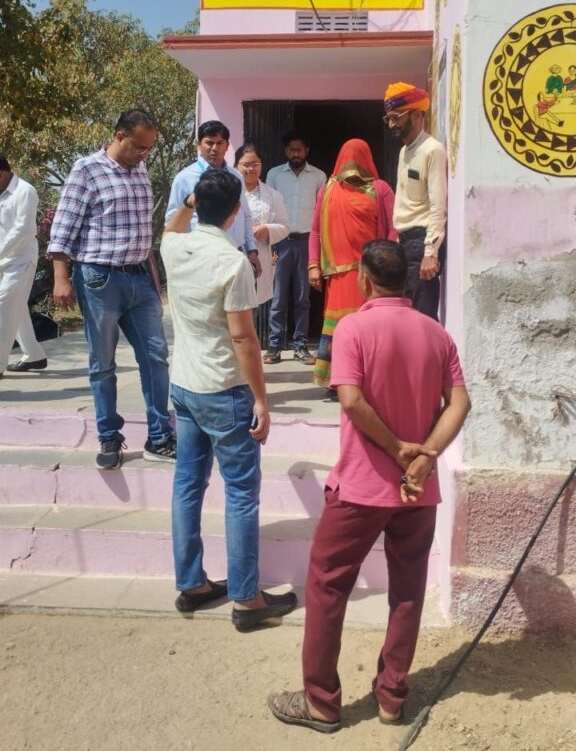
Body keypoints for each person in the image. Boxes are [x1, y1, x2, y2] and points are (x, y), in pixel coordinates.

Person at [268, 240, 470, 733]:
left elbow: (352, 401)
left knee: (327, 585)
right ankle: (392, 698)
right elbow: (460, 403)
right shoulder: (436, 333)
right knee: (407, 592)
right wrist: (424, 456)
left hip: (360, 488)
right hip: (416, 491)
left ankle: (321, 701)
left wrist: (399, 449)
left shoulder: (352, 328)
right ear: (406, 280)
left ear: (363, 278)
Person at [161, 170, 297, 630]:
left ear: (195, 204)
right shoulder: (232, 262)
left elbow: (171, 227)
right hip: (224, 389)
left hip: (185, 384)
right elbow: (243, 338)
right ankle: (246, 599)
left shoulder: (173, 247)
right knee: (240, 494)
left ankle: (192, 583)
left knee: (187, 485)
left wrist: (190, 203)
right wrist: (262, 399)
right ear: (237, 211)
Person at [48, 109, 175, 470]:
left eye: (148, 149)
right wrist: (61, 277)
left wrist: (154, 278)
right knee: (102, 362)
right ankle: (108, 435)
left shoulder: (141, 169)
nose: (143, 155)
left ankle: (160, 437)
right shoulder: (87, 170)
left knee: (155, 357)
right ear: (119, 136)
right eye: (138, 147)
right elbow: (64, 227)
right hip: (99, 279)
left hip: (140, 279)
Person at [308, 138, 396, 393]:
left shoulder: (380, 189)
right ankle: (338, 381)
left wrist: (387, 264)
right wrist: (313, 265)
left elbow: (393, 228)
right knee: (341, 329)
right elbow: (315, 231)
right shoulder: (328, 190)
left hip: (372, 274)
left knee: (369, 328)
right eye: (347, 157)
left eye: (358, 157)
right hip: (339, 276)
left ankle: (369, 381)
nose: (352, 163)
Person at [383, 82, 448, 320]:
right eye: (388, 119)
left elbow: (438, 205)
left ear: (417, 115)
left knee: (423, 317)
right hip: (404, 244)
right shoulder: (404, 152)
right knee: (406, 316)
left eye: (396, 117)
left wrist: (430, 252)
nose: (392, 124)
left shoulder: (432, 150)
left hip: (422, 244)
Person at [166, 120, 261, 279]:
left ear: (227, 145)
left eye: (219, 143)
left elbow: (245, 215)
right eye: (209, 143)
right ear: (199, 145)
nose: (214, 148)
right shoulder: (184, 178)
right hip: (200, 258)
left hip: (234, 256)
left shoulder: (236, 177)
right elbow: (172, 220)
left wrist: (251, 251)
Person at [265, 131, 326, 364]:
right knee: (278, 297)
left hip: (307, 242)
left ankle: (300, 346)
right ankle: (274, 347)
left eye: (299, 149)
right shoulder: (274, 175)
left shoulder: (319, 176)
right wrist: (270, 243)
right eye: (291, 149)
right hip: (280, 241)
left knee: (303, 298)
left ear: (306, 151)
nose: (295, 153)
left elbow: (322, 214)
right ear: (285, 151)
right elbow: (268, 209)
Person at [0, 155, 47, 380]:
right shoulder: (2, 193)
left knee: (3, 305)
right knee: (15, 307)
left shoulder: (25, 192)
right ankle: (34, 355)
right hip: (4, 260)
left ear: (2, 173)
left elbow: (23, 230)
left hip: (21, 260)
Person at [234, 143, 290, 306]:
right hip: (233, 253)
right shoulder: (228, 191)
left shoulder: (273, 196)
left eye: (255, 164)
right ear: (236, 165)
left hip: (259, 254)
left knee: (252, 303)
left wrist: (267, 229)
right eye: (246, 164)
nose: (251, 169)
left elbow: (285, 226)